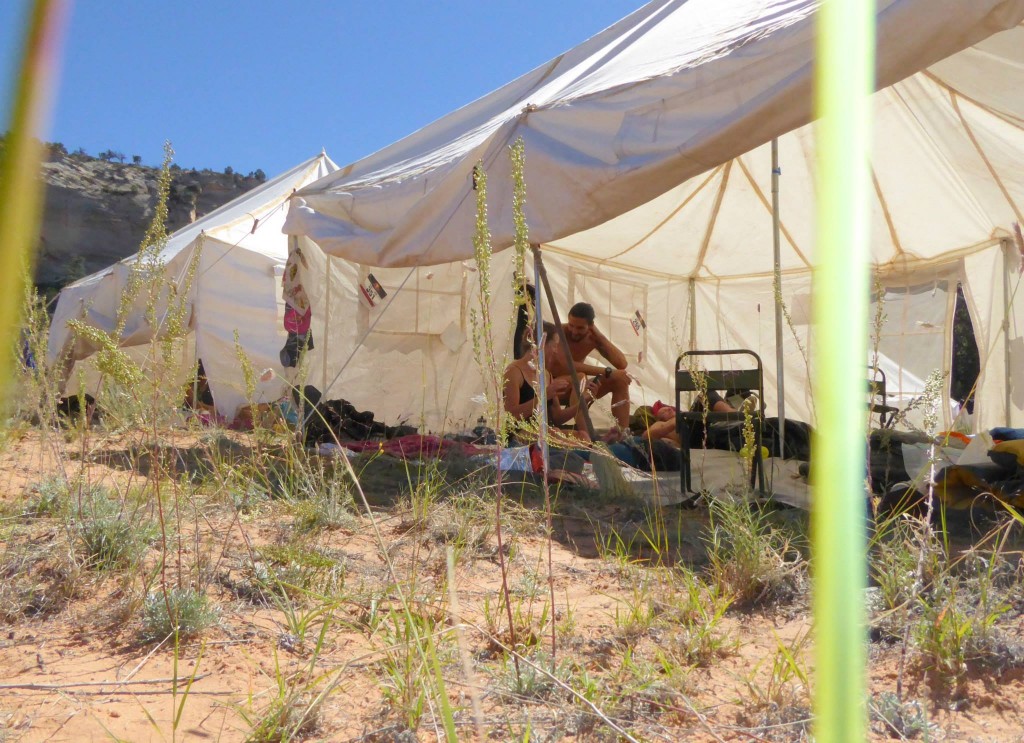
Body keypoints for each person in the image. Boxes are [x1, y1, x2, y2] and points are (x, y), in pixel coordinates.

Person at [546, 302, 632, 434]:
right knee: (580, 377)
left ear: (590, 325)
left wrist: (600, 337)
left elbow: (622, 363)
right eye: (571, 325)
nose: (574, 331)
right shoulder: (559, 332)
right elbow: (565, 365)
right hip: (552, 387)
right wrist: (607, 371)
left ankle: (623, 434)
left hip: (577, 389)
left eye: (580, 328)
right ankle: (586, 433)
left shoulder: (593, 338)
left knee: (620, 380)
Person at [503, 322, 590, 440]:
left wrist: (582, 402)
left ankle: (591, 453)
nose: (555, 351)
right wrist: (544, 396)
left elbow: (557, 417)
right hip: (520, 434)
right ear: (542, 344)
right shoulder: (514, 372)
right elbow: (511, 415)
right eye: (554, 345)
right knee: (553, 433)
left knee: (583, 436)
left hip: (544, 432)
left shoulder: (546, 374)